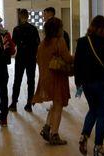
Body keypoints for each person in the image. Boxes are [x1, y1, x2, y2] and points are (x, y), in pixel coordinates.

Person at [74, 16, 104, 156]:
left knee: (93, 110)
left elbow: (77, 64)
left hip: (87, 84)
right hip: (103, 84)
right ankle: (98, 146)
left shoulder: (82, 42)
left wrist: (79, 84)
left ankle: (84, 135)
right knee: (101, 113)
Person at [32, 17, 74, 145]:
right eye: (61, 27)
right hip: (57, 78)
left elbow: (38, 60)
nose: (62, 29)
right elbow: (67, 59)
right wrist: (77, 56)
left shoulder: (43, 43)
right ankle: (54, 134)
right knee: (58, 106)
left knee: (54, 105)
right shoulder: (59, 41)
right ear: (57, 29)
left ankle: (47, 127)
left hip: (45, 78)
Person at [9, 9, 40, 113]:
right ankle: (29, 104)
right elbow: (38, 43)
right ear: (28, 16)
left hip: (21, 57)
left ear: (19, 16)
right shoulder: (33, 29)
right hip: (31, 57)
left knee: (17, 80)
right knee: (31, 81)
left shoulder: (17, 29)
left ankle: (14, 103)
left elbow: (14, 42)